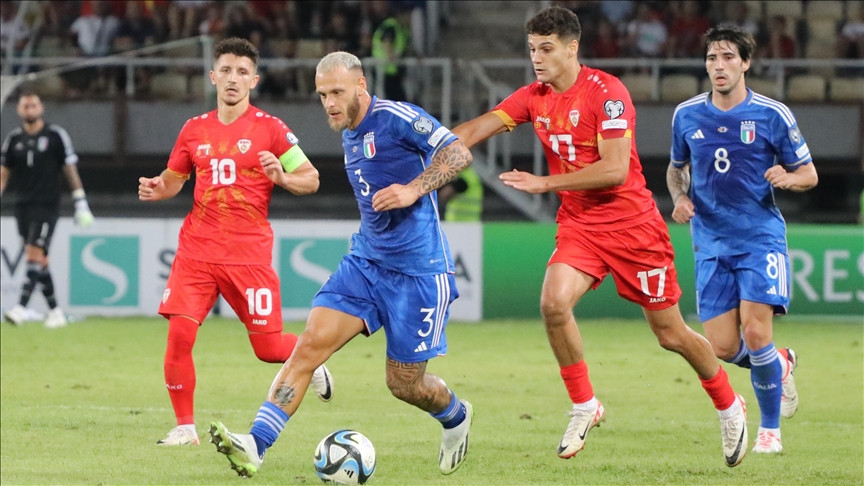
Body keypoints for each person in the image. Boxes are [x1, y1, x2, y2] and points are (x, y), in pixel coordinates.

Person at [450, 6, 749, 467]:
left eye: (546, 49)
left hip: (633, 227)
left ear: (572, 48)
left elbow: (613, 170)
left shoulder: (607, 94)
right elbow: (477, 127)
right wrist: (430, 145)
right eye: (532, 49)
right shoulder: (533, 97)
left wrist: (545, 183)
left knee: (670, 334)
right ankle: (584, 404)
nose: (536, 58)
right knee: (553, 304)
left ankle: (729, 404)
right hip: (580, 226)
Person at [208, 51, 475, 478]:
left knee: (404, 385)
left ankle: (456, 416)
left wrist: (412, 189)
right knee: (308, 347)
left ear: (361, 86)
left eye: (337, 92)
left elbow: (458, 153)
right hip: (365, 264)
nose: (329, 103)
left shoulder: (396, 118)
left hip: (419, 273)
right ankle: (256, 445)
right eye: (322, 95)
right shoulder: (350, 132)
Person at [137, 37, 333, 447]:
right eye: (226, 70)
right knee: (180, 335)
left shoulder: (271, 129)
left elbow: (312, 179)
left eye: (242, 72)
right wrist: (159, 187)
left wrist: (281, 177)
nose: (233, 78)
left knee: (268, 348)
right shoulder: (194, 129)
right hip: (197, 250)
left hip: (248, 255)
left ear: (254, 81)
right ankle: (185, 427)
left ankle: (311, 362)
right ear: (213, 76)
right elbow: (175, 178)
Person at [667, 24, 818, 454]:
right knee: (722, 346)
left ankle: (770, 431)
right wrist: (679, 197)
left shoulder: (773, 114)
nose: (719, 66)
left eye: (728, 57)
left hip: (759, 238)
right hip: (709, 241)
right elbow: (676, 168)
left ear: (746, 63)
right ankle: (780, 364)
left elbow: (809, 174)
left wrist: (788, 178)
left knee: (755, 332)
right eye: (712, 58)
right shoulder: (686, 114)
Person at [1, 90, 93, 329]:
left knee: (34, 254)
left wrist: (80, 201)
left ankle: (21, 307)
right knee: (39, 259)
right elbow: (3, 174)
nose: (29, 109)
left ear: (41, 108)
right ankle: (55, 312)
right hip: (22, 205)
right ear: (19, 110)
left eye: (33, 105)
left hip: (47, 205)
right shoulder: (13, 139)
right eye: (25, 106)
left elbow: (69, 169)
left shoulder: (55, 136)